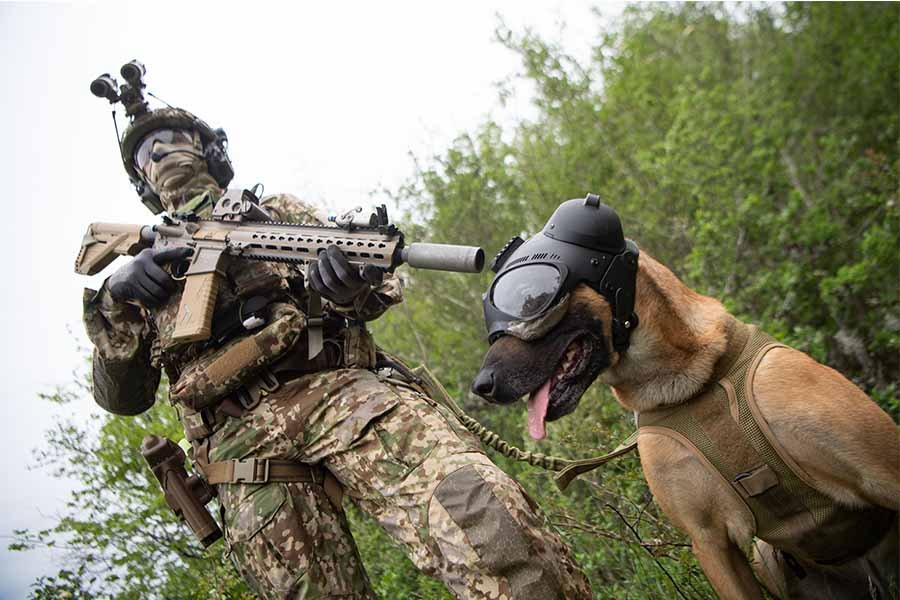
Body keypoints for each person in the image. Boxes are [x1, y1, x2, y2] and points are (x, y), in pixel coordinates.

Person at [82, 70, 593, 599]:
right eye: (147, 151)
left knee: (483, 520)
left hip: (343, 396)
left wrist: (347, 286)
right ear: (141, 183)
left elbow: (370, 283)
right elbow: (122, 397)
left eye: (175, 140)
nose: (163, 153)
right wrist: (117, 295)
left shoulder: (273, 212)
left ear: (209, 150)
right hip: (236, 451)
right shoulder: (140, 269)